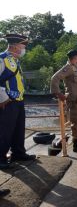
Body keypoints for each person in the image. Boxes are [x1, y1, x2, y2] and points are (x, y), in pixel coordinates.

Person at [0, 34, 36, 170]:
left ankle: (18, 153)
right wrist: (3, 98)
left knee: (18, 129)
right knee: (5, 131)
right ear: (15, 46)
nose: (24, 49)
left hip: (18, 100)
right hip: (7, 101)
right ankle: (1, 158)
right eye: (23, 46)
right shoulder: (2, 59)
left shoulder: (15, 60)